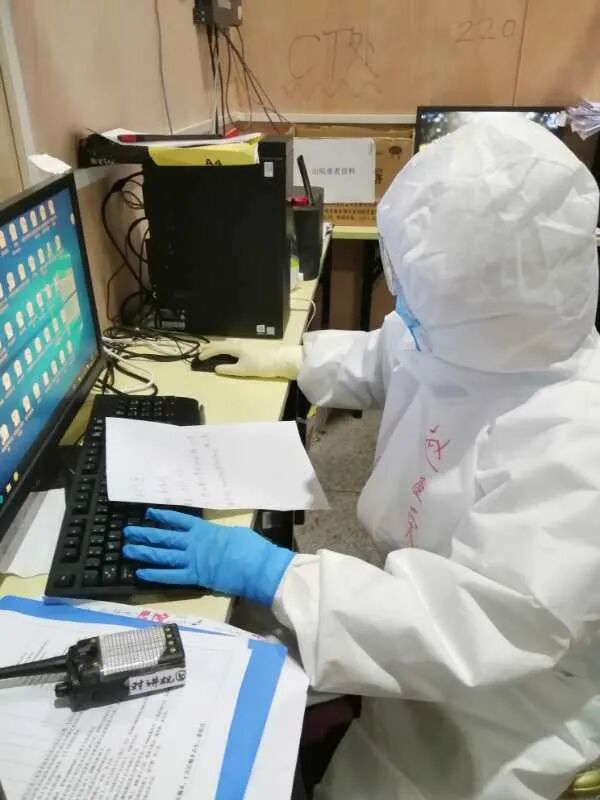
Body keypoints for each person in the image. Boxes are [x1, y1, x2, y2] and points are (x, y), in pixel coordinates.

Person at [123, 116, 600, 800]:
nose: (403, 305)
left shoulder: (576, 443)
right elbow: (392, 355)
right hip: (410, 617)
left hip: (499, 702)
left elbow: (470, 628)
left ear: (487, 299)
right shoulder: (475, 337)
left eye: (422, 293)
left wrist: (274, 573)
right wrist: (293, 360)